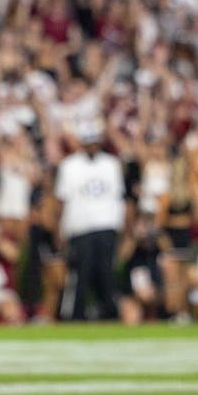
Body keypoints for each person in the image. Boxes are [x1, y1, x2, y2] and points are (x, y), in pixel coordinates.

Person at [53, 123, 125, 321]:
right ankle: (75, 315)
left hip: (106, 226)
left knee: (106, 273)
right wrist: (60, 229)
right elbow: (61, 200)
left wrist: (120, 228)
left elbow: (118, 198)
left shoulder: (111, 164)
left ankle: (109, 314)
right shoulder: (69, 166)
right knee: (80, 275)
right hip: (80, 228)